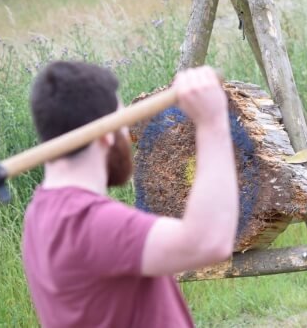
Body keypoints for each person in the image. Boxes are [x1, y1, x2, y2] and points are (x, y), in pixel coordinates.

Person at [22, 60, 238, 328]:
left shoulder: (39, 211)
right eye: (124, 125)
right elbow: (208, 242)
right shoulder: (90, 222)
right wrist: (212, 122)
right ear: (105, 135)